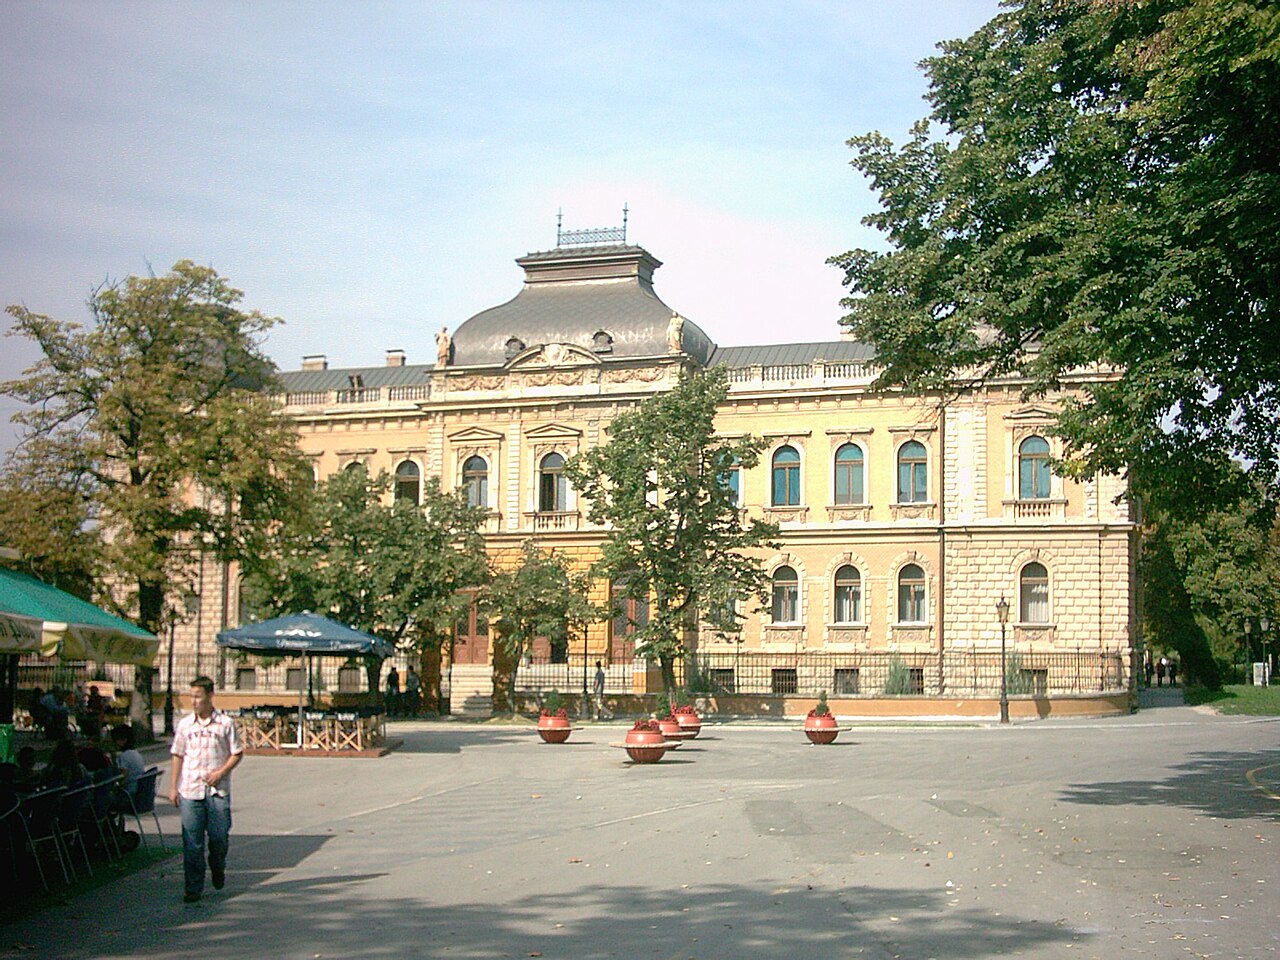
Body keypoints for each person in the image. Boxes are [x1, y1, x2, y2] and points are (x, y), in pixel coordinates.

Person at [169, 676, 243, 903]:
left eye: (197, 697)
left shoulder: (225, 724)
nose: (193, 701)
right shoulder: (185, 725)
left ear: (210, 697)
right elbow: (177, 754)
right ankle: (193, 887)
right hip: (191, 790)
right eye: (191, 696)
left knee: (219, 838)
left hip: (217, 791)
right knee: (192, 842)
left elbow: (237, 752)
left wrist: (221, 772)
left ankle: (217, 866)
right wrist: (174, 787)